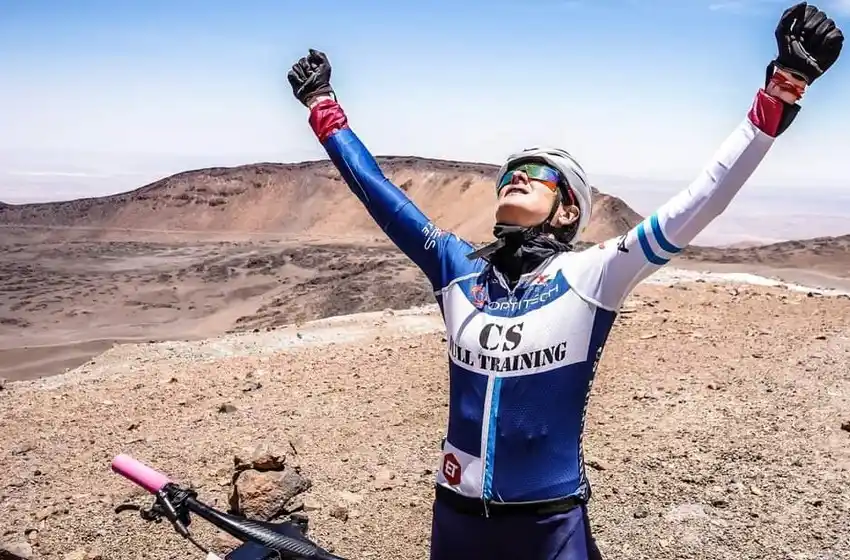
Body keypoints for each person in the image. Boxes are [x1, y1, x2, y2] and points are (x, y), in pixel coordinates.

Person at [285, 3, 843, 559]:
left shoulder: (593, 274)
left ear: (567, 211)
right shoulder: (458, 271)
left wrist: (783, 88)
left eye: (538, 175)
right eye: (510, 174)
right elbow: (382, 196)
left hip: (549, 523)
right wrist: (324, 109)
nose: (518, 178)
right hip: (455, 513)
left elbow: (698, 203)